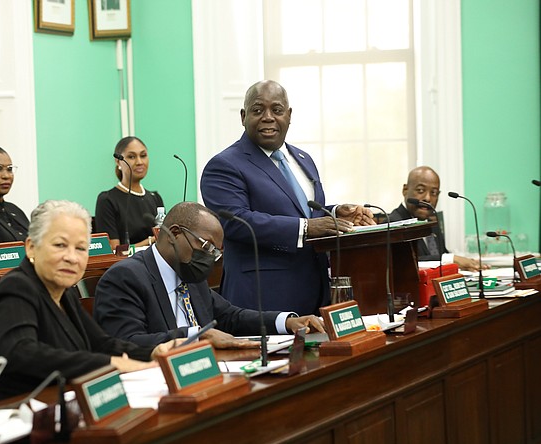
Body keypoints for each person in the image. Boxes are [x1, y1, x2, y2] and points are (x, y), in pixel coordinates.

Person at [200, 80, 375, 315]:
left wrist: (335, 213)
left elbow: (306, 212)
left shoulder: (303, 159)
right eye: (258, 110)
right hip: (263, 299)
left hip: (316, 293)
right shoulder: (224, 165)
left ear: (289, 115)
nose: (268, 117)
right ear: (243, 116)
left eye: (277, 110)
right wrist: (306, 228)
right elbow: (236, 221)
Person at [0, 200, 173, 403]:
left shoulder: (65, 293)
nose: (72, 257)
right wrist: (111, 364)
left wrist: (152, 352)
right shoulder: (16, 287)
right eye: (60, 245)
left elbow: (101, 343)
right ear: (31, 247)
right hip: (18, 413)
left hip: (62, 404)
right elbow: (22, 353)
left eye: (81, 248)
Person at [94, 202, 324, 348]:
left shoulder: (190, 273)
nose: (210, 258)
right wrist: (197, 336)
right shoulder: (126, 277)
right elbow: (126, 343)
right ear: (174, 234)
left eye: (216, 252)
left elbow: (230, 316)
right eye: (206, 247)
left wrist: (287, 321)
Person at [389, 166, 483, 271]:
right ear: (405, 190)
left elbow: (441, 255)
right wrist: (450, 259)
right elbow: (406, 263)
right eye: (420, 190)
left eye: (434, 193)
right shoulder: (393, 225)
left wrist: (466, 265)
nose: (427, 198)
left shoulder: (432, 222)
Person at [95, 136, 164, 250]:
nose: (139, 162)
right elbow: (113, 250)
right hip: (126, 265)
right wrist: (151, 241)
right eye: (131, 157)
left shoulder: (155, 198)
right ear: (118, 161)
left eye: (143, 156)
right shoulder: (107, 200)